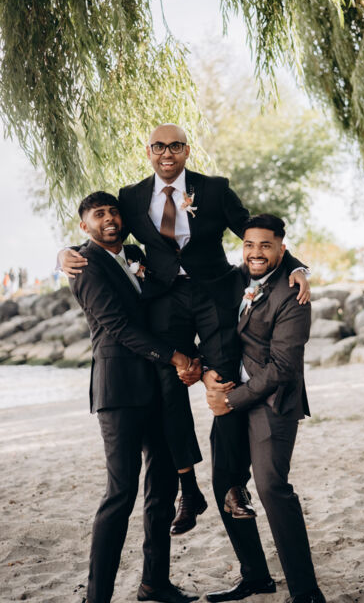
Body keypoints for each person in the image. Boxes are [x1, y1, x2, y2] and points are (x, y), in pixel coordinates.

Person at [59, 124, 310, 534]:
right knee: (167, 387)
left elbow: (254, 232)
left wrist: (296, 266)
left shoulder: (214, 189)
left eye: (175, 146)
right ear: (148, 152)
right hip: (163, 299)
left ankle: (234, 484)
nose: (167, 153)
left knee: (225, 380)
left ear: (186, 151)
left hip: (214, 294)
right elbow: (106, 237)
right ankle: (188, 489)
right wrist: (64, 253)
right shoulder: (131, 197)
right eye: (159, 146)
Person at [68, 191, 202, 603]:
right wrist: (177, 356)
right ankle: (97, 597)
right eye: (99, 214)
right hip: (119, 390)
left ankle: (154, 583)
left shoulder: (135, 254)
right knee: (121, 492)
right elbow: (118, 326)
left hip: (158, 387)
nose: (109, 218)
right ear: (85, 225)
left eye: (113, 211)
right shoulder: (84, 266)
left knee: (161, 488)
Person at [205, 214, 327, 603]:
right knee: (226, 486)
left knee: (272, 488)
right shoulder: (238, 277)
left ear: (281, 249)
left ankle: (306, 592)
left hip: (271, 403)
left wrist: (231, 400)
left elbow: (283, 368)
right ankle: (255, 576)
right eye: (249, 245)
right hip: (230, 396)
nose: (256, 253)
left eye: (265, 246)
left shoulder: (293, 294)